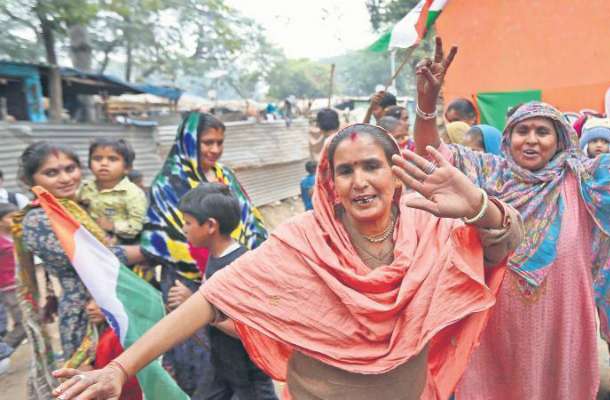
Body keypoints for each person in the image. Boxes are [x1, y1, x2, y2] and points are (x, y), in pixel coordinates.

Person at [52, 123, 524, 400]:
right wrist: (121, 368)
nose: (360, 181)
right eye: (346, 170)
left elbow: (502, 247)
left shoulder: (429, 225)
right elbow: (212, 301)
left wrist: (482, 207)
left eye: (372, 166)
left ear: (395, 176)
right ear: (330, 182)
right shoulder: (304, 239)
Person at [412, 32, 610, 399]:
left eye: (543, 131)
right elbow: (431, 156)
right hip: (490, 325)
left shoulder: (588, 179)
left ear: (560, 140)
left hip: (562, 326)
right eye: (522, 131)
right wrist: (426, 104)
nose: (531, 139)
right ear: (507, 140)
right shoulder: (485, 174)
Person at [140, 112, 267, 394]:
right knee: (197, 363)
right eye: (207, 142)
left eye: (219, 142)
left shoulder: (225, 176)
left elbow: (249, 221)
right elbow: (162, 237)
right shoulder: (168, 182)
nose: (214, 149)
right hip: (184, 283)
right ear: (188, 143)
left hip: (233, 274)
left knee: (237, 358)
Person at [13, 141, 142, 400]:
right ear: (30, 180)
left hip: (114, 300)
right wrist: (151, 251)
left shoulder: (81, 204)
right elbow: (99, 259)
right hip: (85, 311)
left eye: (70, 169)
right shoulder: (38, 220)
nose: (65, 178)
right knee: (93, 381)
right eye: (52, 173)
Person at [167, 183, 278, 400]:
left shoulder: (241, 265)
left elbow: (251, 329)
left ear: (210, 226)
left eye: (188, 222)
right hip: (221, 366)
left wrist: (197, 308)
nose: (184, 229)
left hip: (249, 373)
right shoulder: (214, 258)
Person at [63, 298, 142, 400]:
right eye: (88, 301)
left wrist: (91, 373)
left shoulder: (115, 337)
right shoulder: (97, 334)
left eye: (97, 300)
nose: (90, 307)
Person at [78, 138, 147, 245]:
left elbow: (137, 226)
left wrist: (113, 226)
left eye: (113, 159)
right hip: (88, 240)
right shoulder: (85, 187)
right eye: (97, 158)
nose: (104, 163)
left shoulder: (132, 194)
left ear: (127, 168)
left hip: (120, 244)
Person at [0, 203, 25, 349]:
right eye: (11, 217)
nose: (16, 220)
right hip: (8, 286)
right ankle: (4, 351)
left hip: (20, 284)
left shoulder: (15, 234)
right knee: (23, 323)